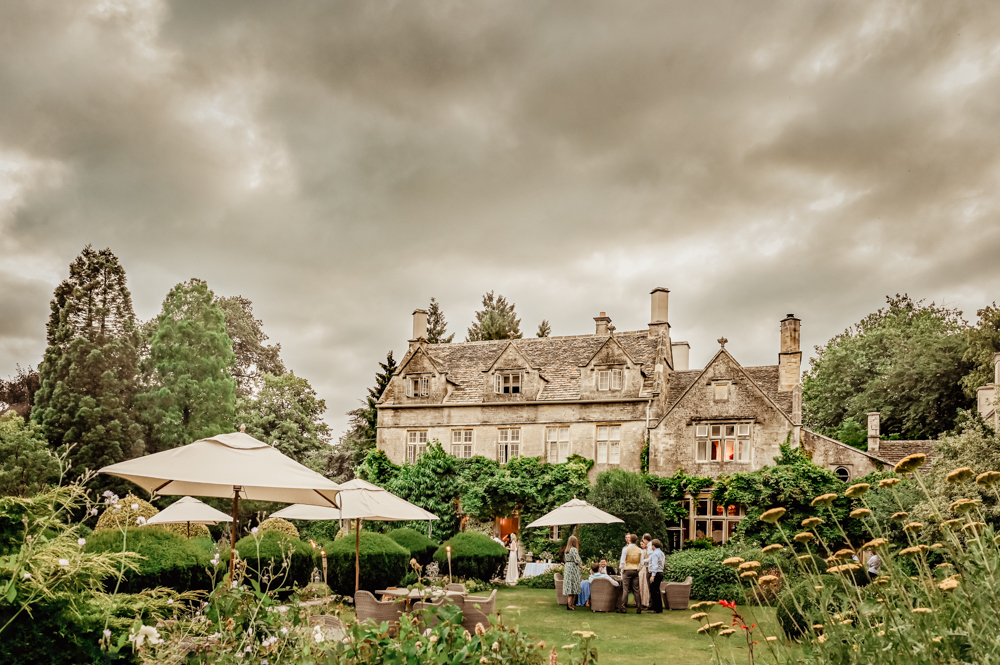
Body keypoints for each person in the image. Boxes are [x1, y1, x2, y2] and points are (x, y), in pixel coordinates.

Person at [617, 534, 643, 613]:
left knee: (625, 589)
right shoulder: (640, 550)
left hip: (627, 569)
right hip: (635, 569)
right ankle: (639, 607)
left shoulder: (626, 549)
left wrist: (621, 570)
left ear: (630, 540)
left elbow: (622, 561)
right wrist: (638, 569)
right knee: (636, 590)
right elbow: (641, 563)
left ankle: (623, 608)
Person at [563, 535, 583, 610]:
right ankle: (570, 605)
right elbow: (577, 560)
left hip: (567, 567)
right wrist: (580, 564)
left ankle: (570, 603)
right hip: (573, 568)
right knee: (573, 586)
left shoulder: (566, 550)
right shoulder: (574, 549)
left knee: (569, 586)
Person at [647, 539, 665, 613]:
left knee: (654, 591)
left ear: (653, 546)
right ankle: (658, 608)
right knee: (656, 590)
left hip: (656, 573)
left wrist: (653, 575)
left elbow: (655, 565)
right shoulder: (661, 553)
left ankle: (656, 608)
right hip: (660, 572)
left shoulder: (655, 554)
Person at [638, 534, 652, 611]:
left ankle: (645, 602)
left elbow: (650, 559)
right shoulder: (646, 549)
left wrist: (643, 561)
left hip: (646, 568)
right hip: (644, 568)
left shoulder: (648, 548)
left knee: (645, 586)